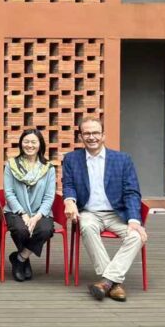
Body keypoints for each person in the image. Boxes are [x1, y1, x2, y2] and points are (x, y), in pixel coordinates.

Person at [62, 117, 146, 302]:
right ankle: (114, 283)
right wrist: (69, 201)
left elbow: (132, 192)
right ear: (80, 136)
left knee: (137, 235)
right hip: (89, 212)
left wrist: (134, 220)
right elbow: (68, 185)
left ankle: (106, 282)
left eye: (96, 133)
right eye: (87, 133)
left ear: (103, 135)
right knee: (87, 226)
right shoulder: (71, 159)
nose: (92, 137)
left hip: (117, 214)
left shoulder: (122, 159)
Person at [3, 129, 56, 282]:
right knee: (21, 229)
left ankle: (19, 258)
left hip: (41, 212)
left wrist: (37, 216)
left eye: (34, 142)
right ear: (21, 144)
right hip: (16, 210)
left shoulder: (48, 168)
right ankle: (25, 261)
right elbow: (9, 192)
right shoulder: (11, 165)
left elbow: (49, 196)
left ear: (40, 145)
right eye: (26, 141)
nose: (29, 145)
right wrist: (23, 213)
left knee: (45, 229)